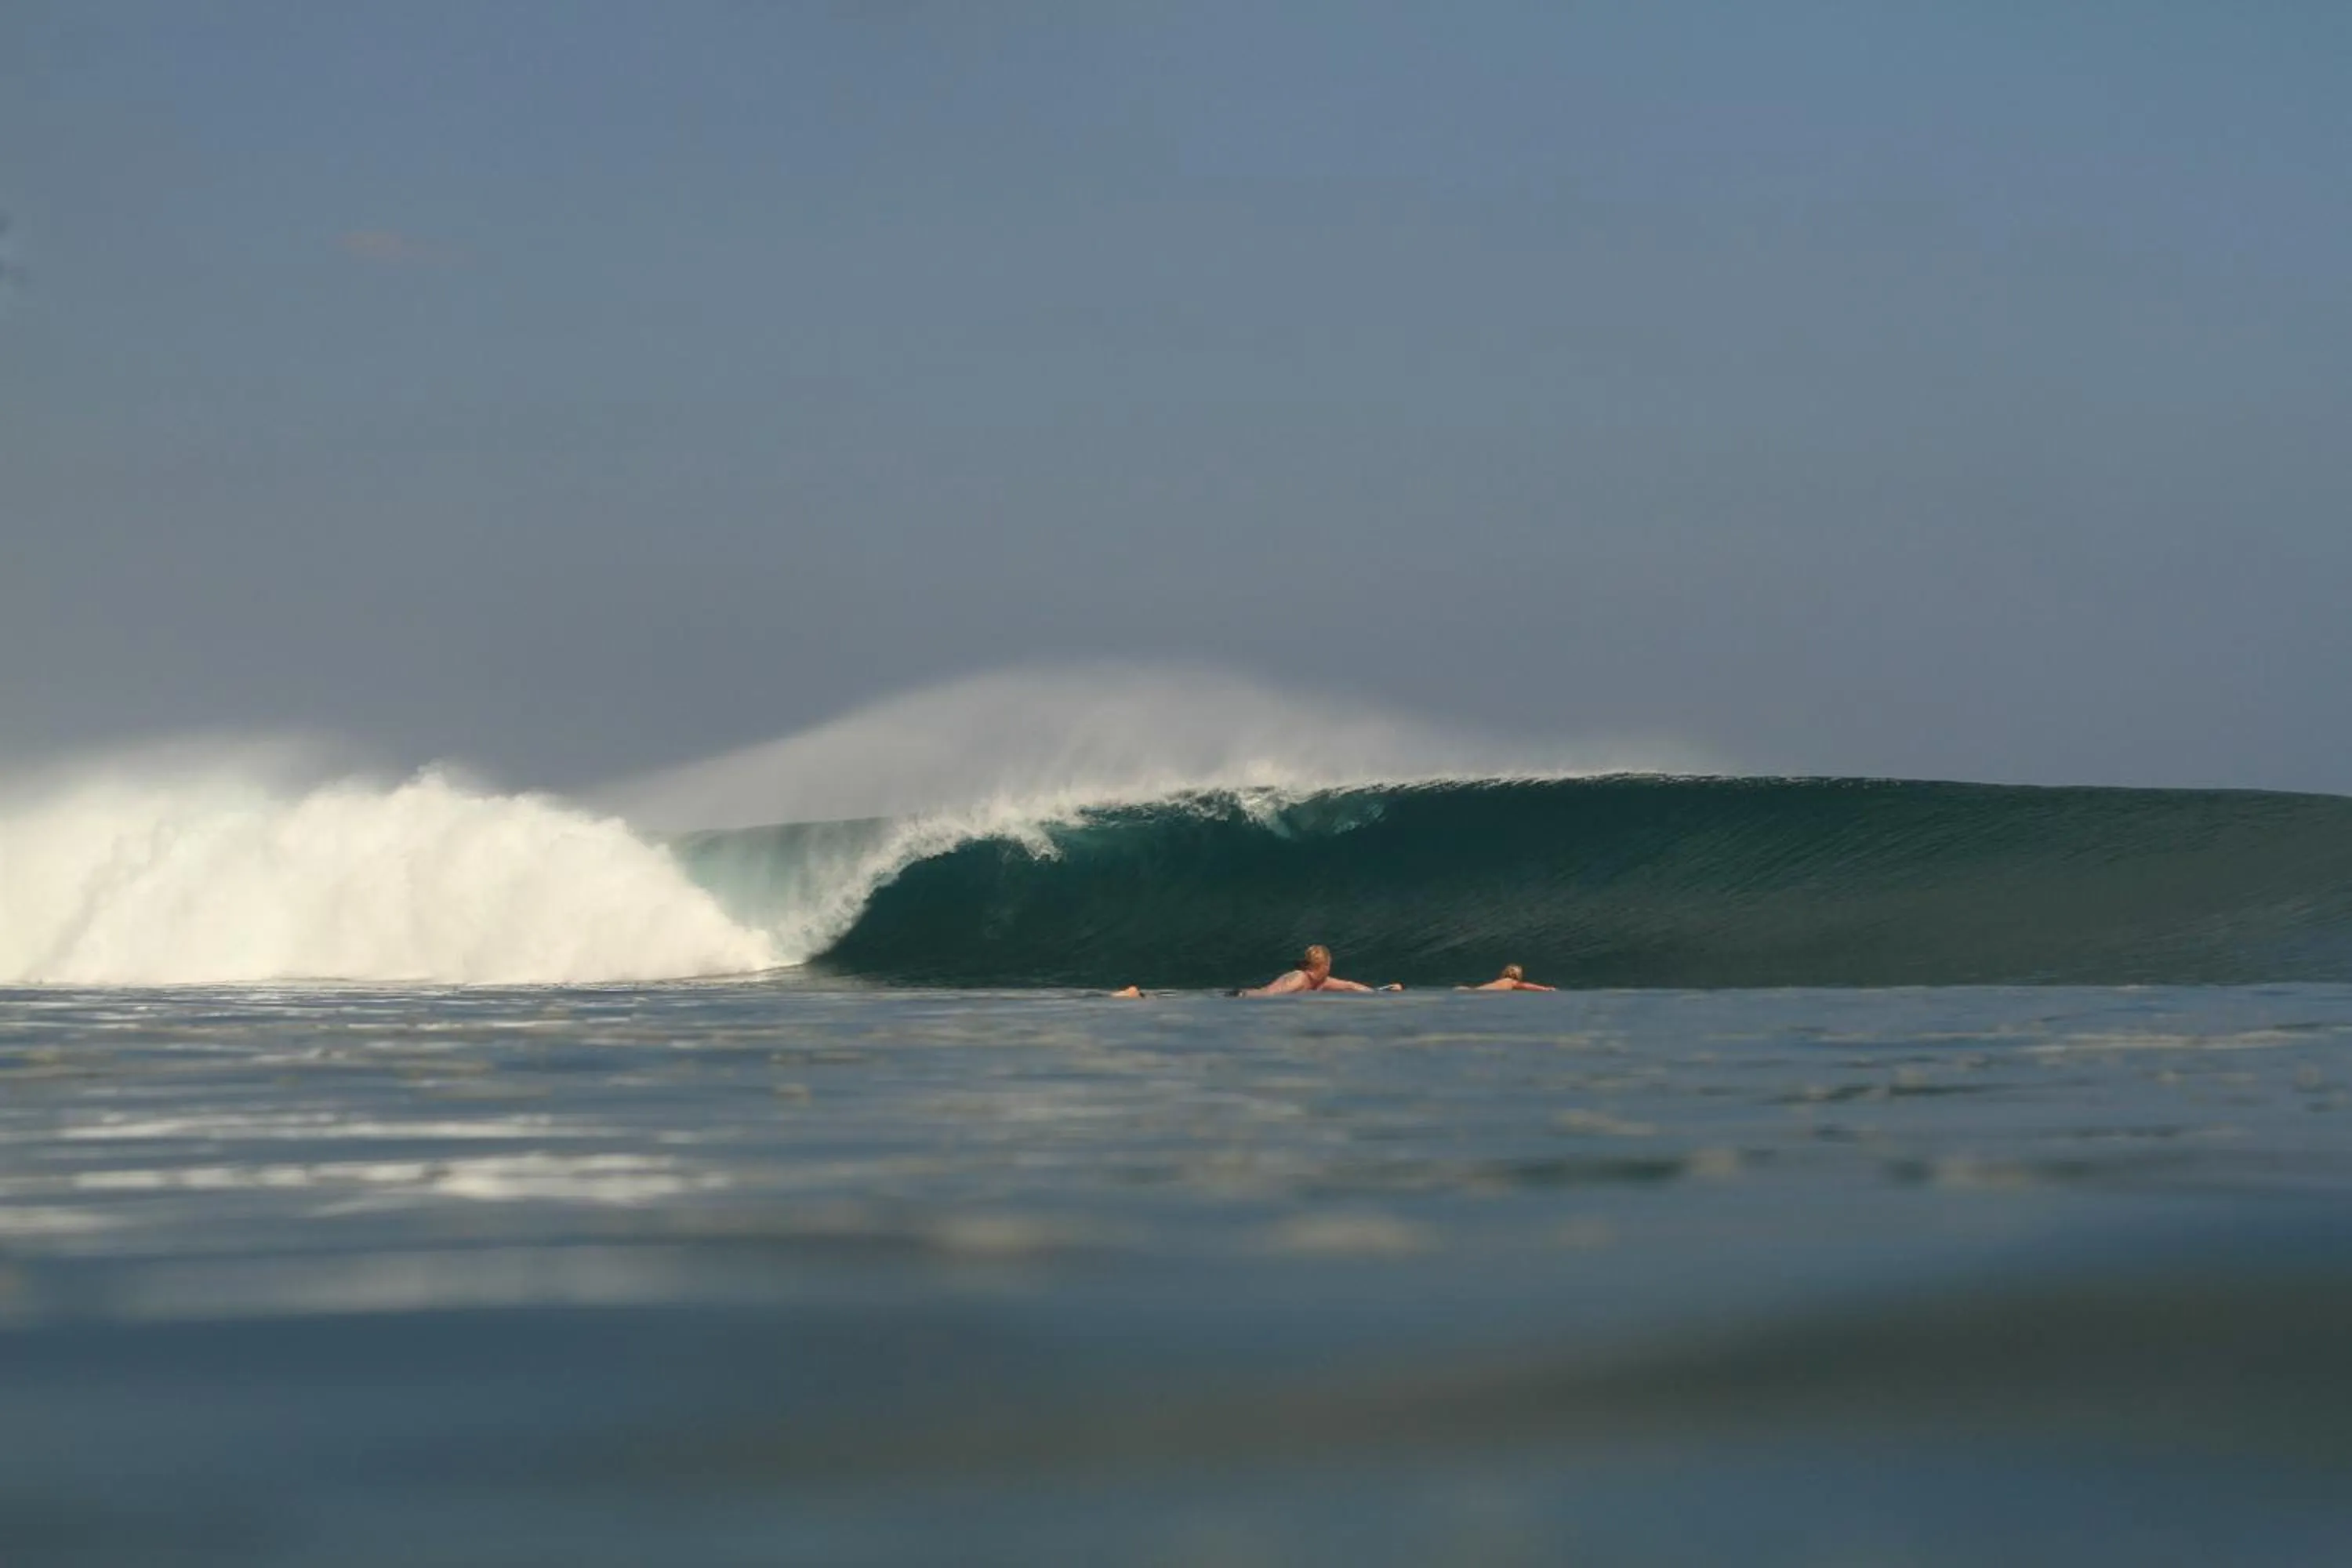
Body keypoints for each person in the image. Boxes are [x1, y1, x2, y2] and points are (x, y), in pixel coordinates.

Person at [1239, 945, 1401, 996]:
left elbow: (1350, 986)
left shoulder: (1321, 982)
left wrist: (1381, 992)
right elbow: (1268, 995)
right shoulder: (1299, 978)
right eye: (1329, 963)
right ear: (1324, 965)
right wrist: (1241, 995)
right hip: (1241, 997)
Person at [1459, 964, 1555, 993]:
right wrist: (1545, 989)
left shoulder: (1501, 981)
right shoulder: (1512, 983)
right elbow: (1526, 986)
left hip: (1474, 990)